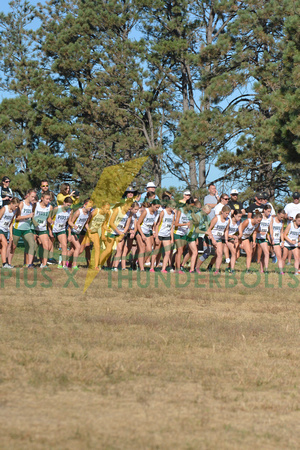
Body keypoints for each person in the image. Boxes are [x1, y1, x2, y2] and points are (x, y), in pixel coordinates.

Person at [9, 189, 37, 268]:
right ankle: (8, 264)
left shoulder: (32, 205)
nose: (33, 199)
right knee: (13, 246)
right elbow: (17, 217)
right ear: (27, 195)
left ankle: (29, 264)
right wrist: (28, 216)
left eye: (34, 197)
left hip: (27, 228)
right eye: (32, 197)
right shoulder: (22, 204)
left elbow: (32, 215)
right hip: (18, 228)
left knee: (32, 244)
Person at [48, 197, 74, 269]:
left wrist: (74, 226)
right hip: (53, 229)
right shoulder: (57, 209)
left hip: (61, 230)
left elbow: (69, 222)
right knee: (48, 247)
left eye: (70, 205)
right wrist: (50, 228)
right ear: (64, 203)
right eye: (67, 205)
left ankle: (63, 265)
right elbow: (49, 218)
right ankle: (43, 262)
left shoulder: (70, 211)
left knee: (64, 246)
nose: (68, 206)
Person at [84, 201, 110, 270]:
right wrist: (88, 230)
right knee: (81, 249)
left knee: (98, 247)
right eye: (106, 209)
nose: (108, 211)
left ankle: (96, 266)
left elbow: (103, 225)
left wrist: (106, 229)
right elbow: (86, 221)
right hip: (87, 231)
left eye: (109, 209)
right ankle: (68, 262)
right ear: (102, 207)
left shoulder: (106, 215)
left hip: (95, 232)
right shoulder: (96, 211)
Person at [136, 199, 161, 271]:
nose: (157, 209)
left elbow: (154, 224)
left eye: (158, 207)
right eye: (156, 207)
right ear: (152, 205)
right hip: (140, 232)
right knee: (142, 249)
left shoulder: (155, 213)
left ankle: (140, 263)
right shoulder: (145, 211)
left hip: (148, 232)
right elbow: (138, 224)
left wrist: (154, 232)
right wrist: (142, 235)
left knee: (149, 250)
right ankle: (141, 268)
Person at [67, 199, 93, 269]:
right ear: (84, 205)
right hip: (72, 232)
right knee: (78, 247)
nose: (90, 208)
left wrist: (89, 231)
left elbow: (86, 224)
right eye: (89, 206)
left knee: (72, 250)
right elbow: (70, 223)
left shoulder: (89, 214)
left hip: (78, 233)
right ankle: (74, 265)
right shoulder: (79, 212)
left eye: (91, 206)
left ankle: (63, 261)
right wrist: (69, 234)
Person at [150, 201, 175, 273]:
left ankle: (163, 269)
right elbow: (157, 225)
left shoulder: (173, 214)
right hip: (160, 234)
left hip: (167, 235)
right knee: (156, 251)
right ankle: (151, 267)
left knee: (168, 252)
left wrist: (172, 239)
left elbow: (172, 227)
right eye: (172, 206)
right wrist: (156, 237)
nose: (173, 208)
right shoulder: (163, 212)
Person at [205, 205, 230, 275]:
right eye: (226, 213)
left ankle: (216, 270)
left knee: (219, 254)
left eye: (228, 213)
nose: (227, 215)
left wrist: (226, 240)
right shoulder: (216, 218)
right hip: (211, 237)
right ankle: (196, 267)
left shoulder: (228, 220)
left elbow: (226, 230)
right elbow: (209, 229)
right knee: (206, 254)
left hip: (218, 238)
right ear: (222, 212)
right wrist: (212, 239)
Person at [32, 192, 53, 268]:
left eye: (49, 199)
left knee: (46, 246)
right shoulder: (36, 205)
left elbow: (49, 219)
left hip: (43, 229)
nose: (48, 201)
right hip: (33, 228)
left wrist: (51, 221)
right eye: (47, 199)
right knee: (33, 246)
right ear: (42, 198)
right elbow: (31, 215)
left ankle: (43, 264)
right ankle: (29, 263)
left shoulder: (50, 207)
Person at [0, 197, 20, 268]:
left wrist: (11, 235)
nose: (17, 207)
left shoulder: (14, 211)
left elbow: (11, 223)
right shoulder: (4, 209)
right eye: (16, 206)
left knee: (2, 248)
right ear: (11, 204)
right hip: (0, 229)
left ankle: (5, 264)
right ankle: (4, 264)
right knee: (5, 244)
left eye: (18, 206)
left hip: (5, 230)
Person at [255, 205, 272, 273]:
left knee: (266, 253)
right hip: (257, 237)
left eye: (270, 211)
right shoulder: (260, 216)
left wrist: (270, 236)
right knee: (250, 253)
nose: (269, 213)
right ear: (264, 210)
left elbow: (270, 228)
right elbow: (255, 228)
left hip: (264, 238)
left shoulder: (270, 218)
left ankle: (263, 269)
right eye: (268, 211)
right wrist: (260, 231)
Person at [224, 209, 243, 273]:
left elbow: (240, 233)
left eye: (241, 217)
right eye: (238, 216)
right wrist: (232, 237)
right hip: (226, 238)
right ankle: (232, 269)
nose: (239, 218)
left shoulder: (239, 222)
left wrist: (237, 237)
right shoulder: (229, 221)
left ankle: (229, 267)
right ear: (234, 215)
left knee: (236, 255)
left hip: (233, 239)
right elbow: (225, 232)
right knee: (234, 253)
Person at [269, 209, 285, 275]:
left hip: (277, 240)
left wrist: (282, 241)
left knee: (279, 256)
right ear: (278, 214)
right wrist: (271, 237)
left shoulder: (282, 222)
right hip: (270, 239)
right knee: (265, 255)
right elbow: (270, 229)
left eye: (283, 217)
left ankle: (281, 271)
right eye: (281, 217)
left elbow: (281, 232)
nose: (282, 218)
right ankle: (263, 269)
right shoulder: (272, 219)